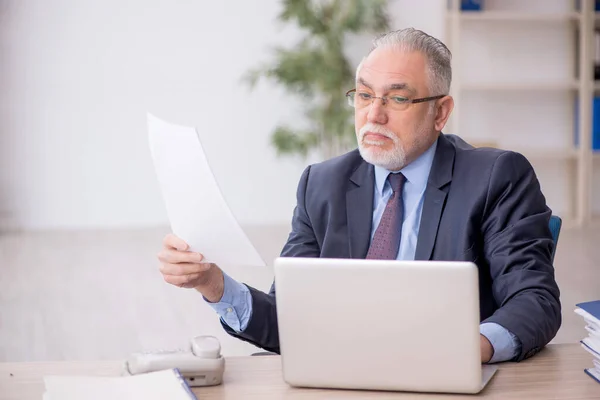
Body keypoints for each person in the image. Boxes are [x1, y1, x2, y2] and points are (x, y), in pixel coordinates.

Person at [157, 28, 561, 364]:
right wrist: (213, 284)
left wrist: (469, 348)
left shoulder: (496, 177)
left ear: (440, 112)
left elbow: (534, 298)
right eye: (365, 95)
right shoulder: (322, 184)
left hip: (444, 381)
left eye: (398, 98)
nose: (374, 114)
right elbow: (290, 319)